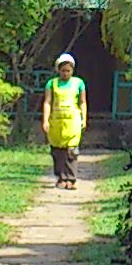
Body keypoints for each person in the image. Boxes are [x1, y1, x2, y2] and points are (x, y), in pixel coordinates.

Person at [43, 53, 88, 189]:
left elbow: (82, 102)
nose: (65, 73)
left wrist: (83, 118)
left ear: (72, 70)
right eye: (63, 71)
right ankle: (61, 178)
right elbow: (47, 102)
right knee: (57, 151)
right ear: (58, 70)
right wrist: (45, 120)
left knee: (71, 151)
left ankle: (71, 179)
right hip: (56, 122)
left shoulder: (79, 83)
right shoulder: (52, 84)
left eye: (68, 71)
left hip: (72, 122)